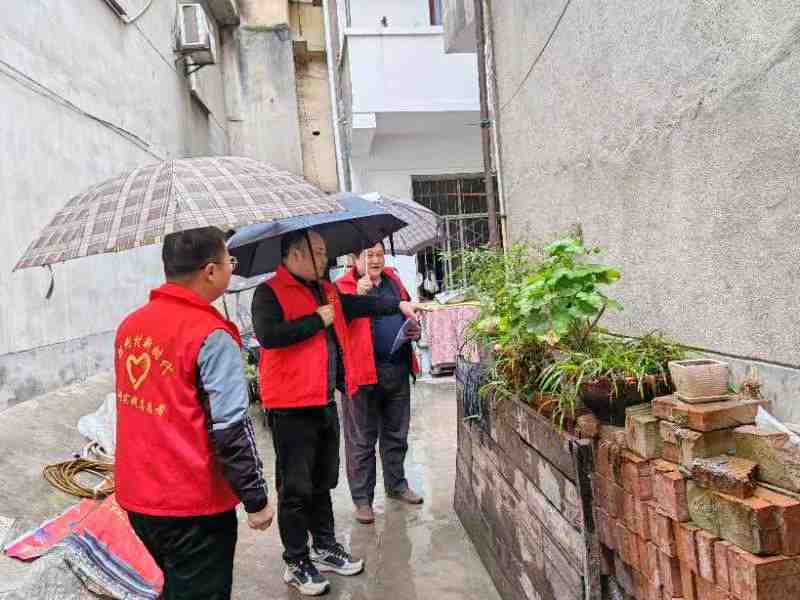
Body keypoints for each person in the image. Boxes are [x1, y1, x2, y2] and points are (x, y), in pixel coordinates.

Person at [252, 229, 421, 596]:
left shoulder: (323, 288)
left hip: (324, 399)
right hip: (290, 406)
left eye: (325, 250)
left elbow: (354, 306)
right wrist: (317, 320)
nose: (325, 258)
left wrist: (398, 306)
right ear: (295, 255)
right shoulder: (269, 292)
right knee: (295, 488)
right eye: (318, 251)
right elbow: (268, 335)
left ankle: (325, 546)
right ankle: (296, 560)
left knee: (322, 481)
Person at [115, 227, 272, 600]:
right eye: (229, 260)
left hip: (138, 498)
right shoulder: (211, 335)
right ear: (210, 271)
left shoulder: (130, 326)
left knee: (177, 584)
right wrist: (256, 498)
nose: (232, 267)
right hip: (192, 505)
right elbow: (232, 428)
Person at [335, 242, 423, 525]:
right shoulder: (343, 287)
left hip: (396, 368)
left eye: (379, 254)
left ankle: (396, 485)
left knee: (397, 434)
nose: (375, 260)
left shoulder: (394, 282)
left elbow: (408, 313)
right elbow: (337, 328)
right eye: (369, 255)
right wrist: (357, 296)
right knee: (361, 441)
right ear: (354, 259)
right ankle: (363, 500)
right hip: (361, 375)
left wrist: (415, 330)